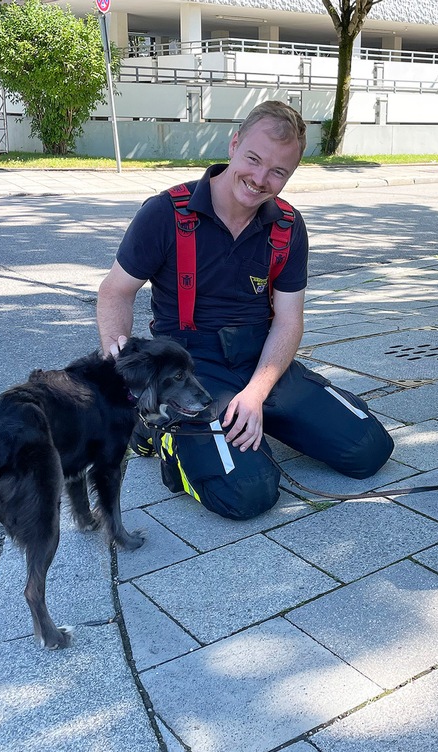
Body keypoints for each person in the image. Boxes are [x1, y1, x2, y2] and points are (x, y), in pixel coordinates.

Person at [96, 100, 394, 520]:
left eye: (278, 172)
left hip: (260, 358)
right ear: (234, 144)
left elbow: (289, 318)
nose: (260, 179)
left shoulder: (288, 226)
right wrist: (124, 382)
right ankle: (157, 427)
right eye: (253, 159)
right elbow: (115, 292)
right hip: (192, 366)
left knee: (369, 450)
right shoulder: (166, 213)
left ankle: (254, 418)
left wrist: (255, 395)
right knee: (248, 494)